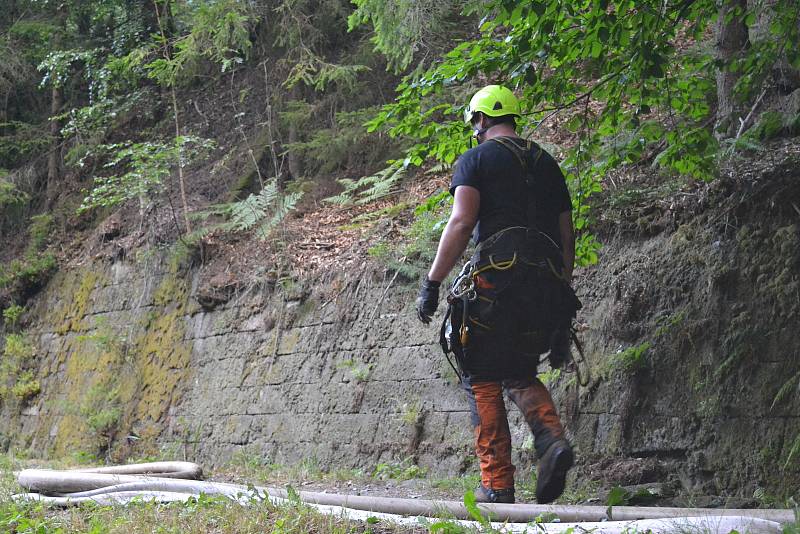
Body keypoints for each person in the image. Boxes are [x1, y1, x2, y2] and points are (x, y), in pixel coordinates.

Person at [415, 85, 578, 505]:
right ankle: (552, 441)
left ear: (481, 120)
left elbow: (462, 222)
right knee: (520, 369)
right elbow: (566, 233)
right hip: (545, 283)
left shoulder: (476, 159)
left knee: (482, 375)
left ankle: (497, 484)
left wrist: (432, 283)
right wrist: (561, 287)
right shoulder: (548, 164)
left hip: (497, 280)